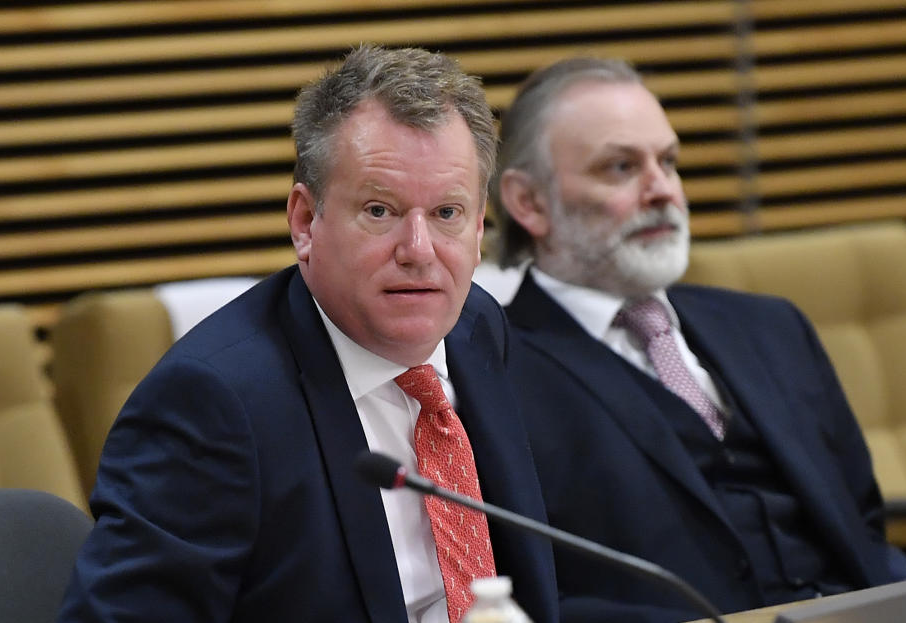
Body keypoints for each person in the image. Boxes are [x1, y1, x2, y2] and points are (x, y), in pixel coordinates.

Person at [57, 44, 558, 623]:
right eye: (380, 210)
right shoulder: (213, 405)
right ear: (304, 222)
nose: (419, 253)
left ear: (478, 230)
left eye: (447, 213)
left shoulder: (476, 327)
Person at [492, 57, 906, 623]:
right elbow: (528, 590)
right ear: (528, 203)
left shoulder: (772, 327)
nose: (662, 190)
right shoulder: (491, 369)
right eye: (621, 167)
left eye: (668, 162)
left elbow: (861, 521)